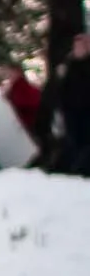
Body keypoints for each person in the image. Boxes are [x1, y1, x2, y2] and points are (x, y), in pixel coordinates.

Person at [51, 33, 90, 176]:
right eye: (76, 45)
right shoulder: (69, 64)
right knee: (72, 141)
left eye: (81, 45)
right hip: (71, 112)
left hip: (86, 111)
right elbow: (62, 89)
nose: (78, 48)